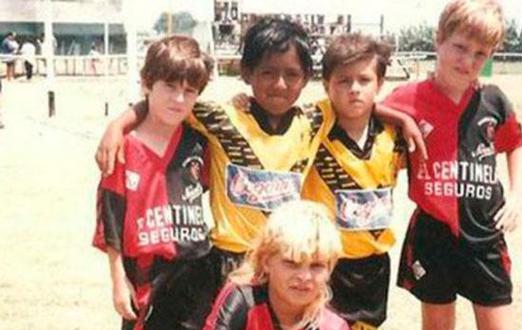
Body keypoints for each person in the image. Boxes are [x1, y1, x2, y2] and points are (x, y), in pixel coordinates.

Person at [95, 18, 424, 291]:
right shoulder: (222, 117)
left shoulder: (315, 119)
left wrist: (403, 118)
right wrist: (119, 124)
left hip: (284, 262)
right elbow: (171, 102)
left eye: (291, 74)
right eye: (267, 72)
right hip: (229, 262)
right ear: (247, 73)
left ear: (307, 78)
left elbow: (359, 100)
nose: (279, 83)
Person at [381, 1, 522, 329]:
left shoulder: (494, 100)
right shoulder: (410, 96)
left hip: (485, 232)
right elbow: (368, 109)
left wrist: (516, 195)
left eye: (480, 54)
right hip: (433, 233)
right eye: (460, 47)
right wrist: (402, 118)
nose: (468, 60)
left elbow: (515, 144)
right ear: (439, 39)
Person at [92, 35, 217, 330]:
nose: (178, 99)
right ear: (147, 84)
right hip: (146, 275)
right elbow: (111, 221)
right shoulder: (122, 146)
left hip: (196, 270)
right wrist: (118, 280)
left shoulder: (200, 142)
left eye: (189, 91)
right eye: (170, 87)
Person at [300, 34, 406, 330]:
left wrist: (405, 120)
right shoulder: (310, 128)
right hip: (325, 262)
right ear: (326, 85)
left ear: (380, 84)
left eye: (364, 80)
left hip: (374, 264)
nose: (354, 89)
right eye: (343, 81)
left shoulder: (394, 134)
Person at [203, 200, 349, 330]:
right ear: (266, 261)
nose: (304, 277)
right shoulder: (242, 301)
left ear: (330, 269)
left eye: (317, 266)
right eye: (292, 263)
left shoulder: (333, 326)